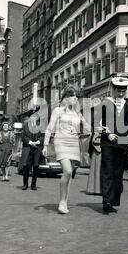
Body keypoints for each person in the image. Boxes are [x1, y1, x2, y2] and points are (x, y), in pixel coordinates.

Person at [43, 84, 91, 214]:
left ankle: (64, 201)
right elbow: (49, 128)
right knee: (68, 171)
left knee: (69, 175)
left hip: (74, 142)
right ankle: (62, 202)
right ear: (65, 97)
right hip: (61, 141)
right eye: (72, 96)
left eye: (76, 96)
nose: (75, 98)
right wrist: (45, 145)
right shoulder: (58, 111)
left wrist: (84, 121)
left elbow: (87, 128)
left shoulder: (77, 113)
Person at [94, 76, 128, 214]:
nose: (121, 94)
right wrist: (108, 134)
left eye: (123, 91)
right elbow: (97, 123)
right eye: (118, 91)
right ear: (113, 89)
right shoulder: (105, 103)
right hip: (108, 144)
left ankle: (112, 200)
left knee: (118, 173)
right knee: (107, 172)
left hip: (122, 145)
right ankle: (106, 201)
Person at [21, 111, 43, 190]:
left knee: (36, 167)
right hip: (28, 148)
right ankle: (25, 184)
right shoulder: (25, 125)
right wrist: (30, 142)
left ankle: (33, 184)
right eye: (32, 117)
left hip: (37, 148)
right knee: (26, 167)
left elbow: (42, 136)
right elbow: (23, 136)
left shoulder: (41, 126)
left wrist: (37, 142)